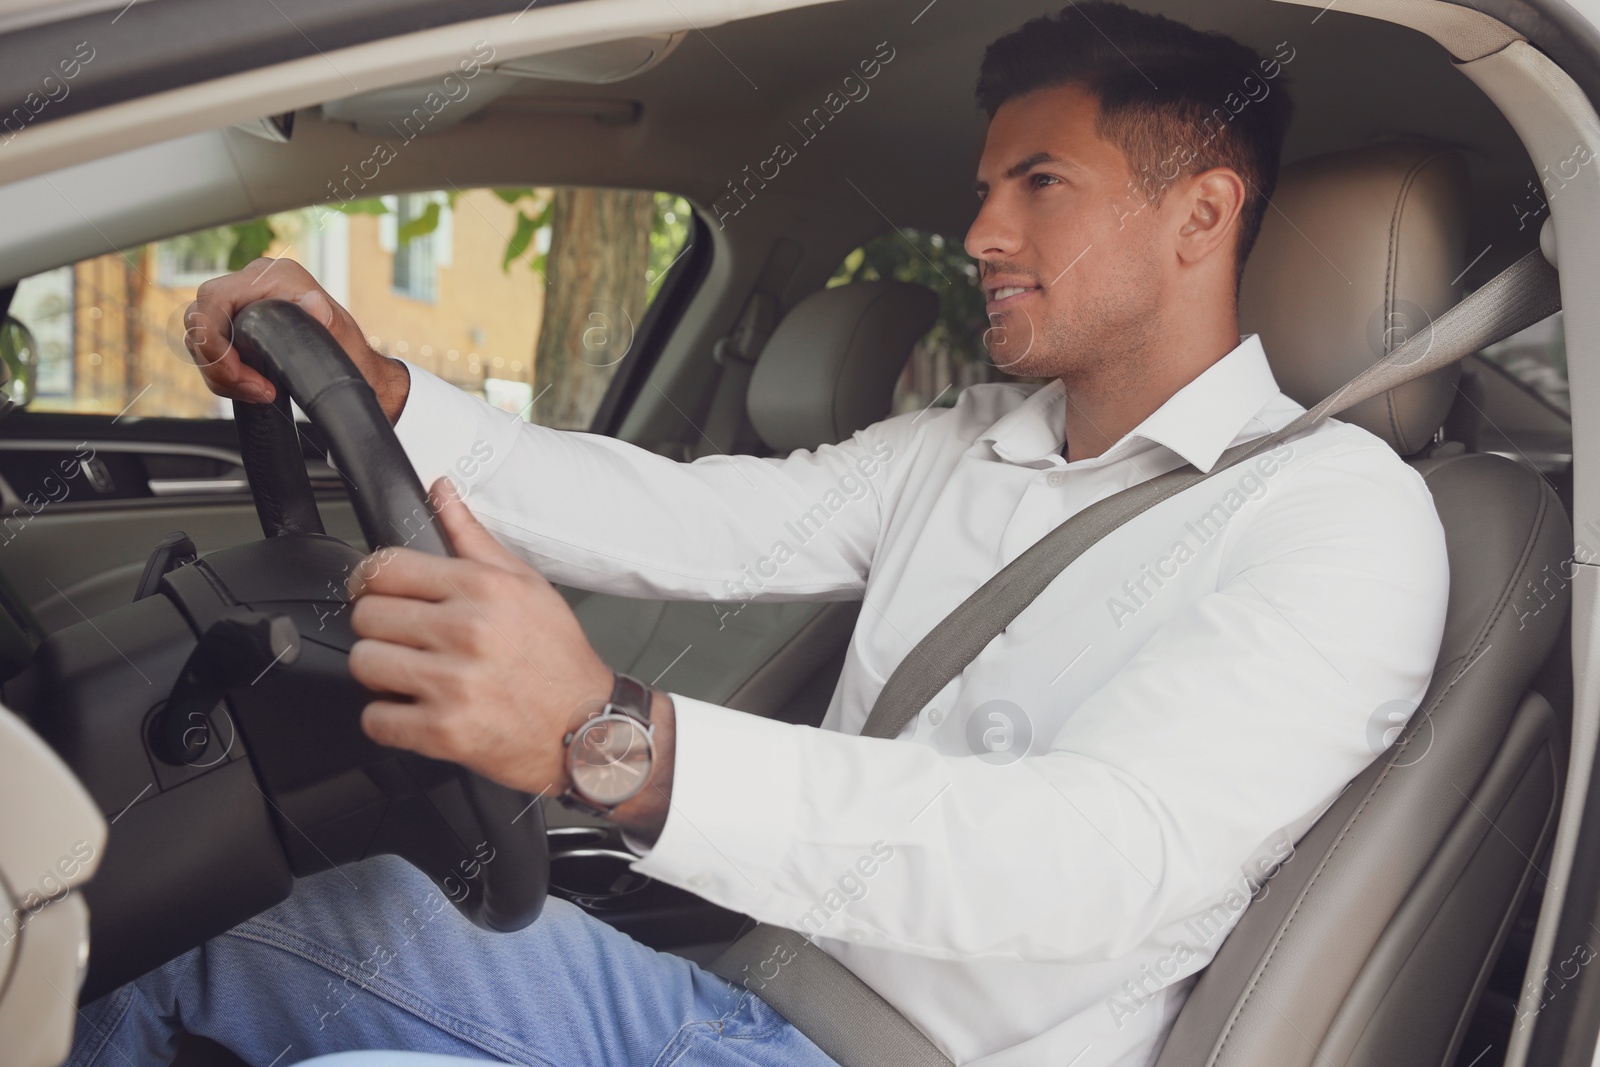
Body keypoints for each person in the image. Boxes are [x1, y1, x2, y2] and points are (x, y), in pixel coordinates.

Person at [64, 4, 1449, 1066]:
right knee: (193, 906)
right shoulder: (964, 445)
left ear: (1201, 214)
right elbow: (689, 523)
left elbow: (1091, 860)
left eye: (1038, 184)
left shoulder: (1338, 519)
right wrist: (390, 397)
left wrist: (611, 737)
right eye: (983, 189)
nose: (976, 231)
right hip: (732, 997)